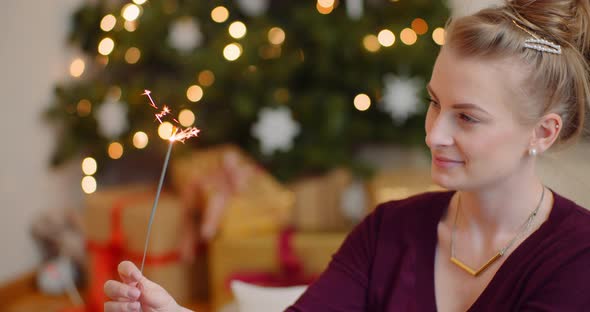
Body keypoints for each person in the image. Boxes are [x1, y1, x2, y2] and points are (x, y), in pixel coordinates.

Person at [104, 0, 590, 311]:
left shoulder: (577, 256)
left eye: (467, 117)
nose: (434, 134)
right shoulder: (388, 232)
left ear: (543, 133)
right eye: (434, 103)